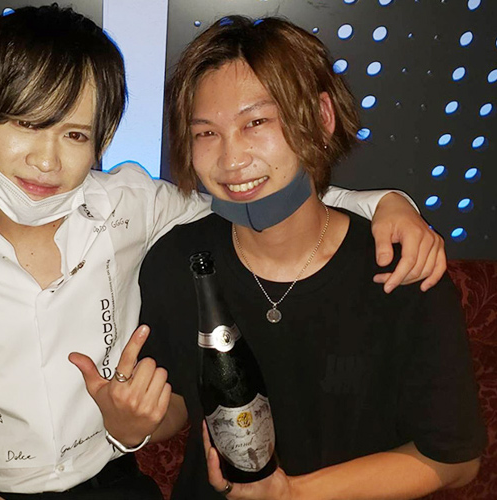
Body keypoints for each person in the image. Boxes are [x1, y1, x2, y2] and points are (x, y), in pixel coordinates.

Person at [0, 6, 447, 500]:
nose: (47, 160)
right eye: (25, 124)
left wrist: (382, 204)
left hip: (112, 478)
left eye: (75, 134)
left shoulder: (131, 204)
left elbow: (249, 195)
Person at [139, 15, 485, 500]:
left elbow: (455, 459)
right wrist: (131, 422)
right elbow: (175, 404)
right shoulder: (177, 260)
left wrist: (294, 493)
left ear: (322, 117)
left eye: (256, 123)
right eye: (206, 134)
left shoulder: (401, 266)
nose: (231, 160)